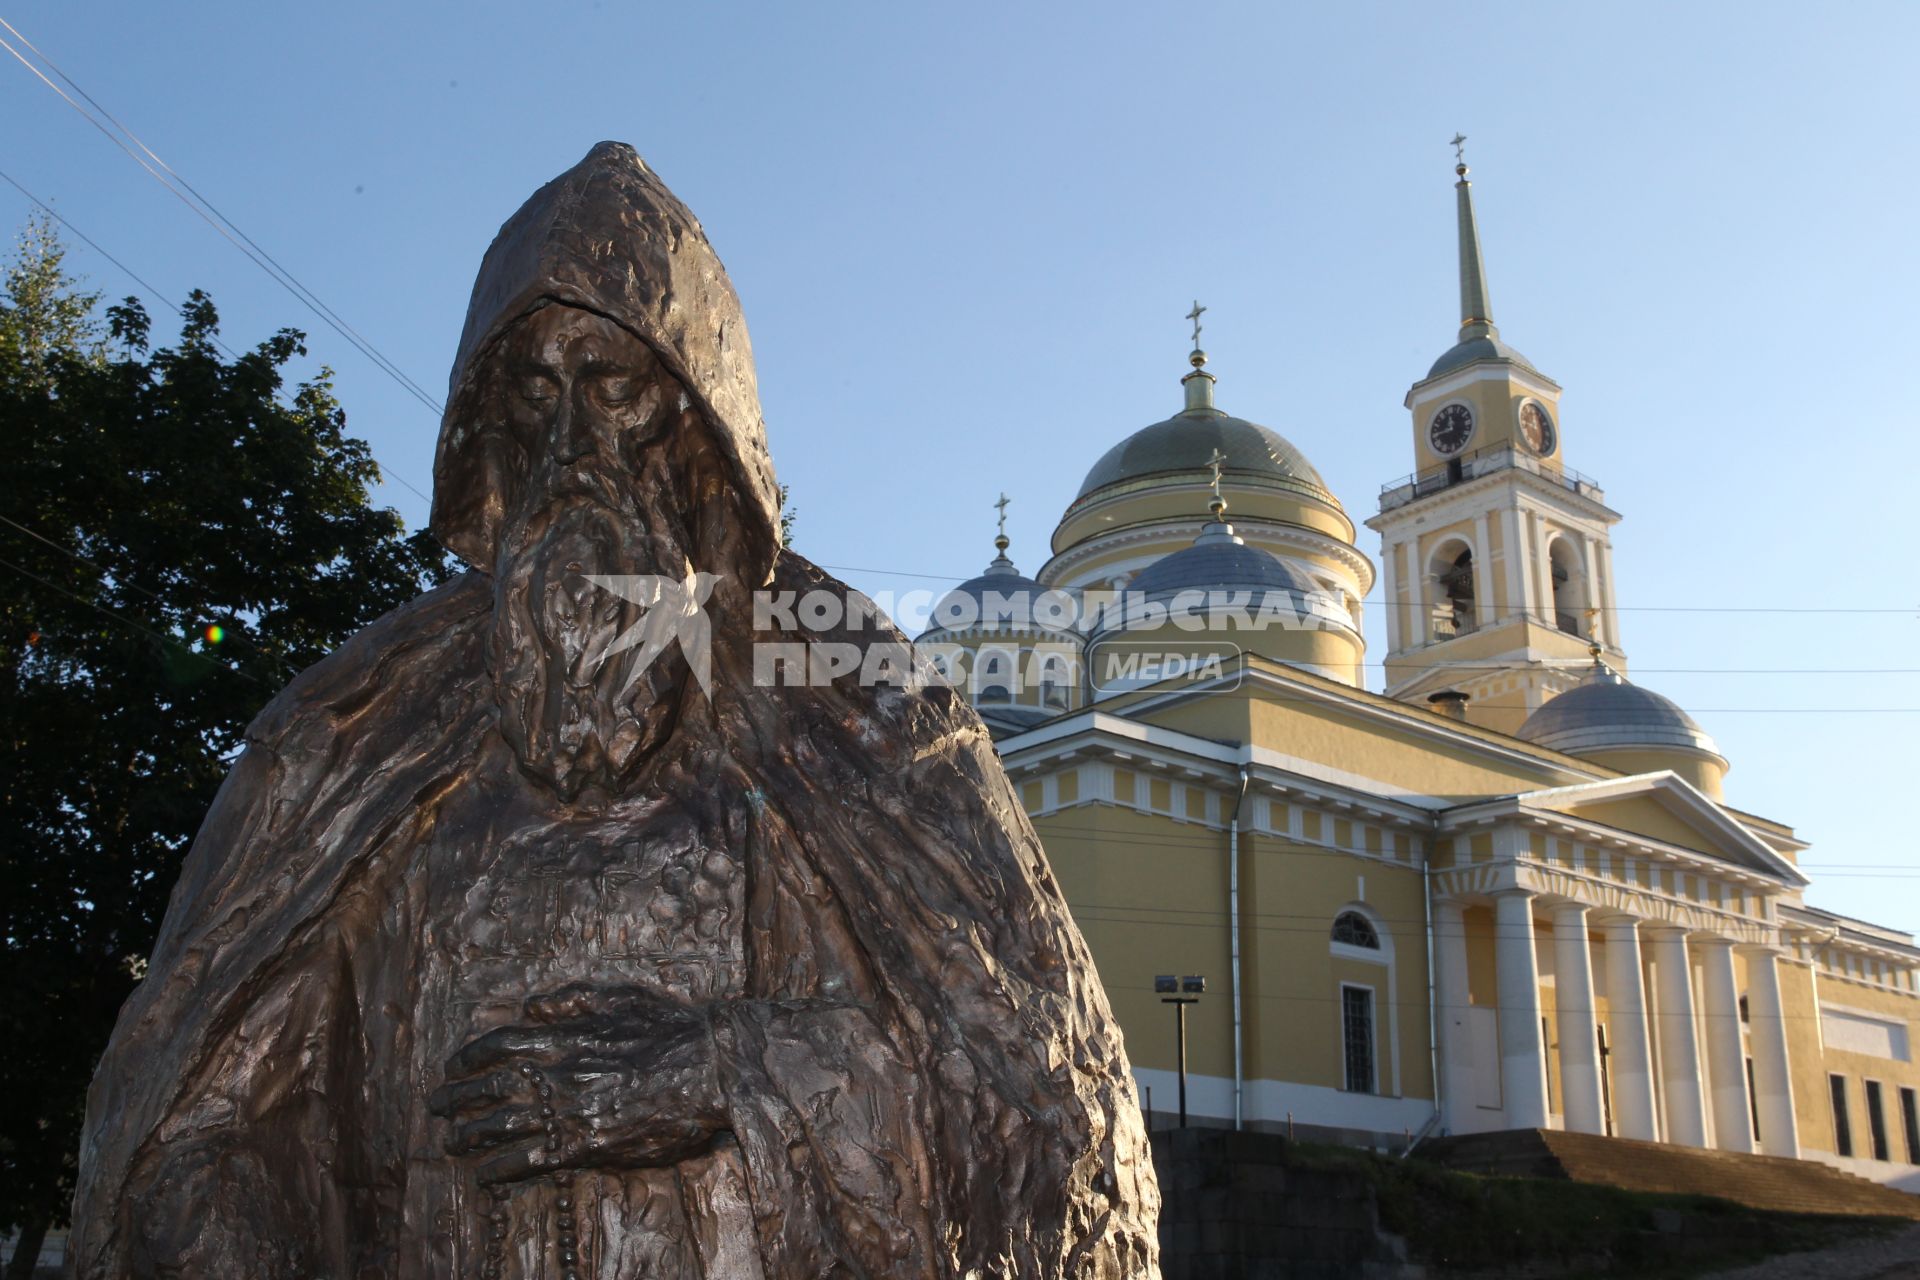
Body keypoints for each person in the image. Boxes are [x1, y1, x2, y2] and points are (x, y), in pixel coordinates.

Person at [69, 142, 1158, 1279]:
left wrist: (710, 1072)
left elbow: (1031, 1086)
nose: (576, 447)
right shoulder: (359, 723)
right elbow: (197, 1107)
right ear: (490, 424)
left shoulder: (857, 699)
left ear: (695, 419)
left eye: (617, 385)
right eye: (537, 390)